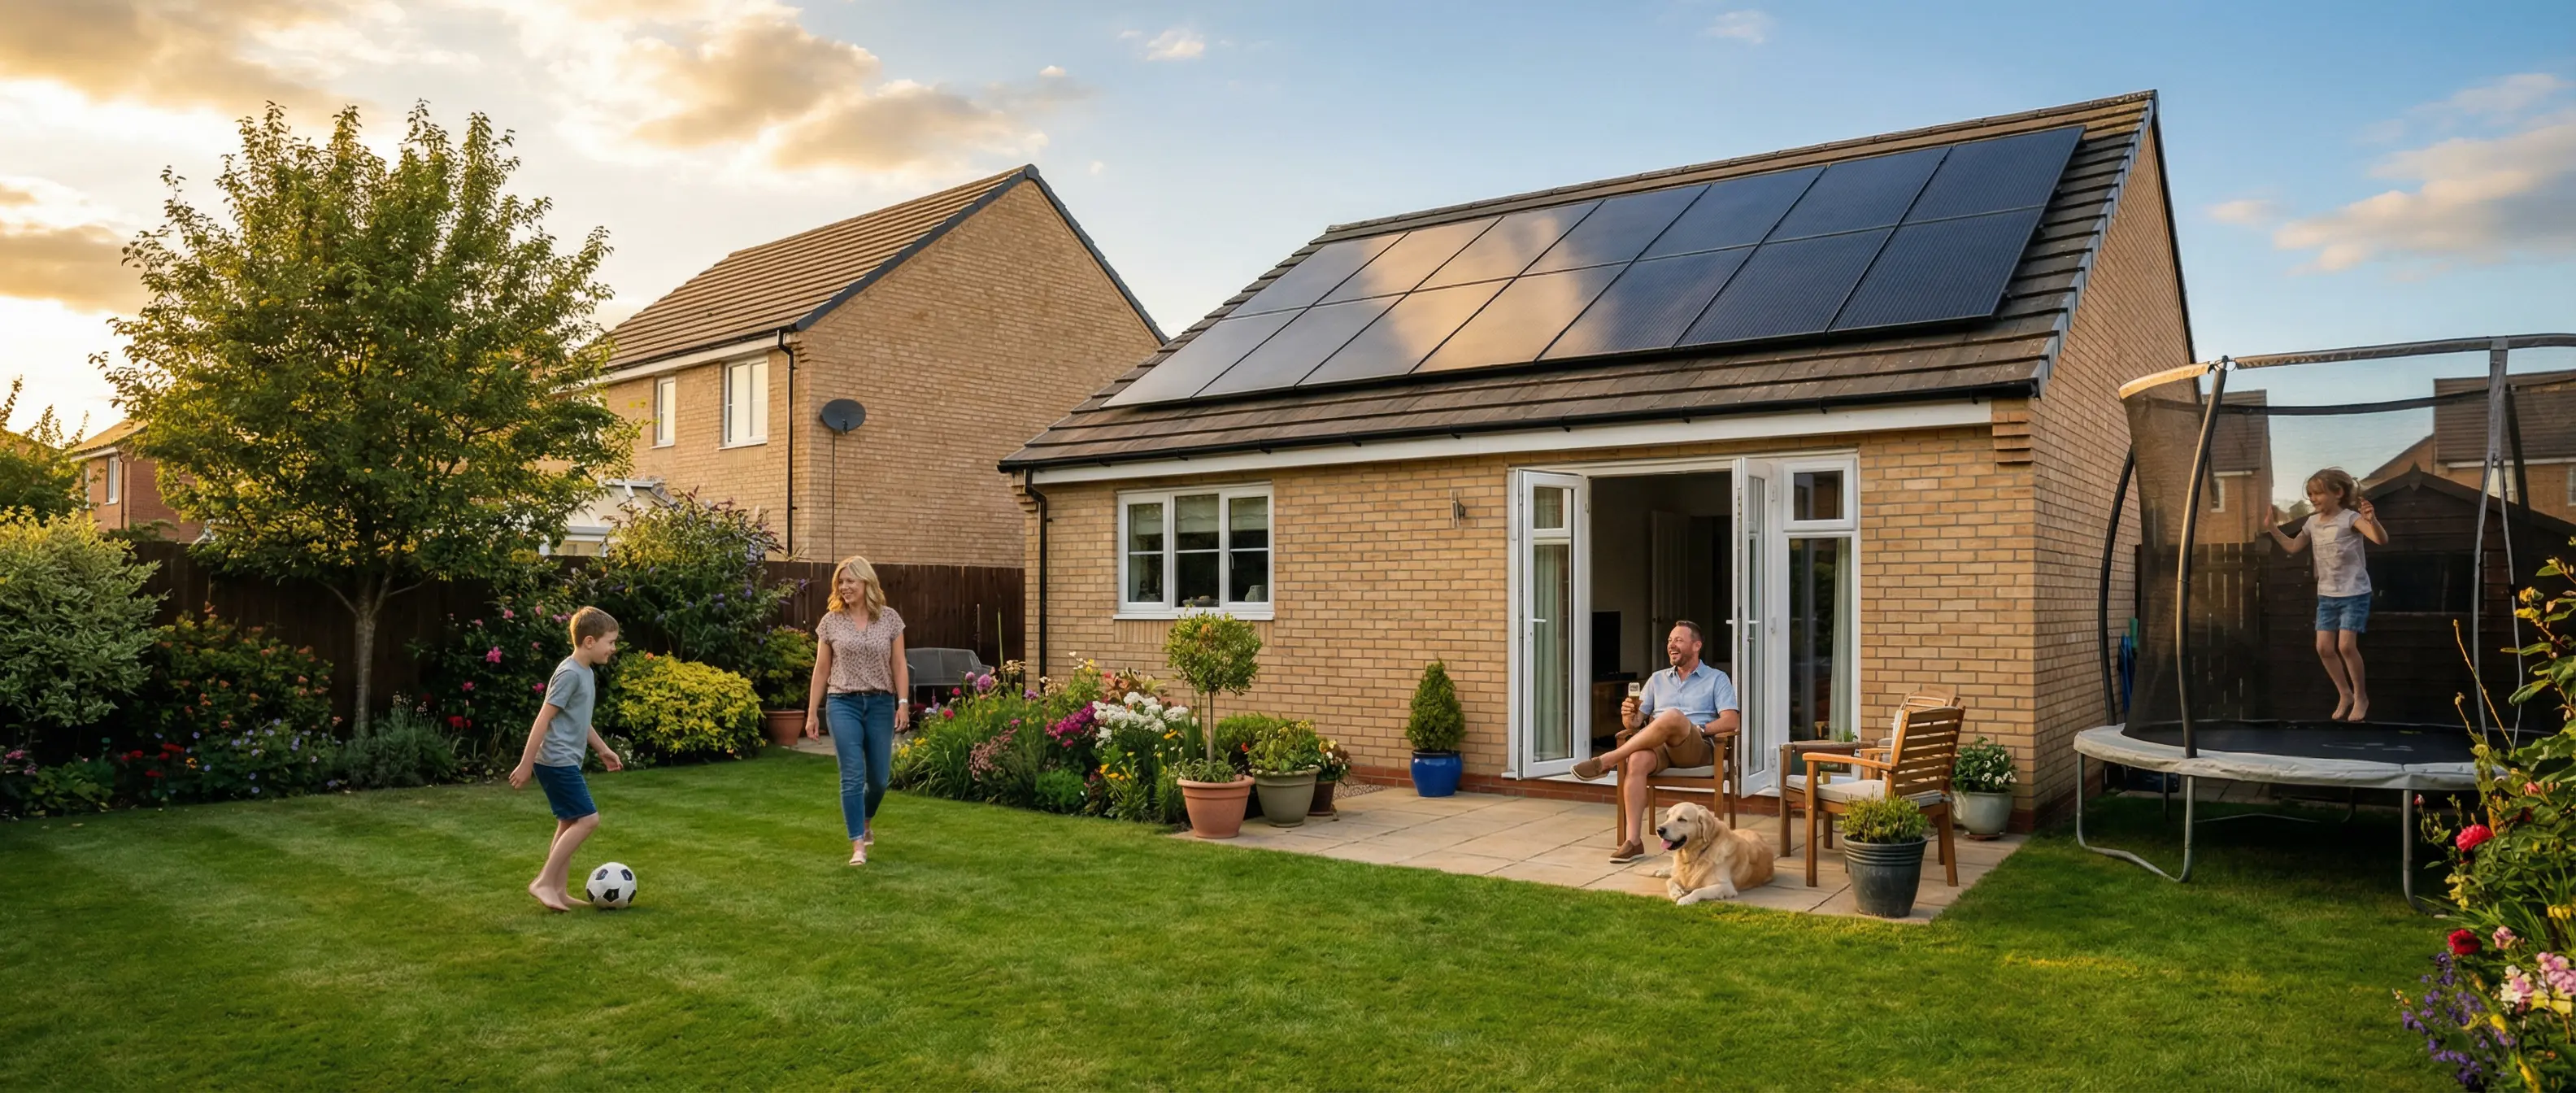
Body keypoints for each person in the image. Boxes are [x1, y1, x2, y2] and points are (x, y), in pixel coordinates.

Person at [1571, 621, 1741, 862]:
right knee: (1638, 759)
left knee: (1672, 716)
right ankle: (1633, 841)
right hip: (1662, 748)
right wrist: (1628, 715)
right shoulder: (1657, 679)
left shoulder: (1717, 679)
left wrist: (1699, 729)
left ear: (1696, 646)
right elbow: (1635, 724)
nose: (1672, 645)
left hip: (1697, 747)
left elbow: (1731, 721)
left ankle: (1608, 759)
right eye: (1670, 641)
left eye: (1679, 640)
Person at [509, 606, 624, 912]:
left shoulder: (584, 673)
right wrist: (526, 764)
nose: (613, 649)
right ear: (589, 641)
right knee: (588, 819)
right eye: (610, 642)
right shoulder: (570, 673)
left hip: (565, 760)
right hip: (556, 760)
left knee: (569, 821)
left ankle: (557, 891)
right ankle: (544, 881)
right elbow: (543, 719)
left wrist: (602, 749)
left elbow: (580, 720)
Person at [804, 555, 910, 865]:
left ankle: (866, 820)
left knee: (878, 779)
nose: (845, 586)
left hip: (880, 703)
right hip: (843, 703)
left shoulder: (889, 619)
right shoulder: (831, 622)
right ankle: (857, 845)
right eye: (841, 581)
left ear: (866, 583)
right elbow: (821, 670)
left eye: (851, 581)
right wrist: (812, 712)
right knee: (852, 775)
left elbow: (900, 665)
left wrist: (902, 703)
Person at [2268, 467, 2388, 722]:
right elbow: (2292, 546)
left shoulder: (2350, 519)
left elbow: (2380, 540)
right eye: (2310, 494)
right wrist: (2272, 529)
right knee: (2324, 648)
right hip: (2328, 596)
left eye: (2318, 493)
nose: (2313, 498)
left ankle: (2361, 696)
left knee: (2345, 646)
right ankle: (2345, 694)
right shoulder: (2312, 522)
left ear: (2338, 492)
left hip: (2354, 593)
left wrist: (2371, 520)